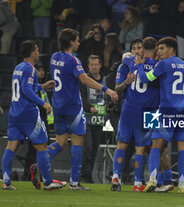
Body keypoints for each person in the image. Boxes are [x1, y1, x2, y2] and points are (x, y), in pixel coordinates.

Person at [42, 28, 118, 191]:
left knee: (61, 142)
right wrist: (107, 90)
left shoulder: (54, 57)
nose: (78, 43)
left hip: (58, 106)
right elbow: (84, 79)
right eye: (76, 40)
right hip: (72, 107)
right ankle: (74, 183)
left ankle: (40, 160)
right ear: (70, 42)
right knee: (78, 142)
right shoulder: (73, 60)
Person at [135, 37, 184, 193]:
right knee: (183, 148)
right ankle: (182, 185)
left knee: (156, 144)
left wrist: (140, 67)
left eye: (161, 48)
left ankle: (152, 180)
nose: (159, 52)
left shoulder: (164, 64)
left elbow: (145, 78)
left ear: (171, 50)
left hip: (166, 110)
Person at [2, 40, 64, 191]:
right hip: (28, 114)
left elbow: (26, 87)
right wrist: (44, 104)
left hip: (14, 113)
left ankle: (6, 182)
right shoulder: (31, 69)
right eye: (36, 50)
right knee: (42, 146)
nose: (38, 53)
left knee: (10, 147)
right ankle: (48, 182)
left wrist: (42, 86)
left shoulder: (18, 67)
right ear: (31, 53)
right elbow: (26, 90)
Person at [111, 37, 159, 192]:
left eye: (140, 48)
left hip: (132, 109)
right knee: (141, 148)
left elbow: (116, 89)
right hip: (147, 111)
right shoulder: (157, 66)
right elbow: (116, 90)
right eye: (135, 48)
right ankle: (136, 183)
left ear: (144, 49)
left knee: (126, 145)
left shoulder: (127, 63)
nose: (138, 51)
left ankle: (118, 177)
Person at [80, 55, 107, 183]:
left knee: (95, 150)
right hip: (86, 118)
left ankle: (88, 175)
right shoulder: (84, 79)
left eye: (96, 64)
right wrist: (89, 108)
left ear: (100, 65)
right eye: (92, 64)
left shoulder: (105, 80)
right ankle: (83, 175)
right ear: (88, 66)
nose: (94, 67)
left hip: (100, 120)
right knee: (88, 147)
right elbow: (81, 97)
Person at [25, 62, 54, 182]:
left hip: (44, 122)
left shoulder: (42, 87)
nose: (41, 72)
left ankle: (40, 175)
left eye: (43, 70)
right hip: (35, 121)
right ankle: (28, 175)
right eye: (39, 70)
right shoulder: (32, 88)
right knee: (34, 150)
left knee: (43, 147)